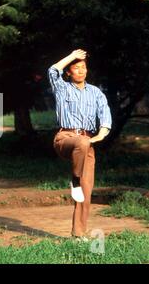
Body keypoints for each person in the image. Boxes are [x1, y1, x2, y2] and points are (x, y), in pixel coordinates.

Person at [47, 49, 112, 239]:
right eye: (76, 68)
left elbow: (105, 116)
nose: (81, 71)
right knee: (82, 143)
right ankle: (74, 179)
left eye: (83, 67)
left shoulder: (96, 92)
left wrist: (100, 135)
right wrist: (71, 56)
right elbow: (52, 70)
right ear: (69, 72)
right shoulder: (62, 88)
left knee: (86, 191)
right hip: (65, 139)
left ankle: (78, 234)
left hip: (87, 143)